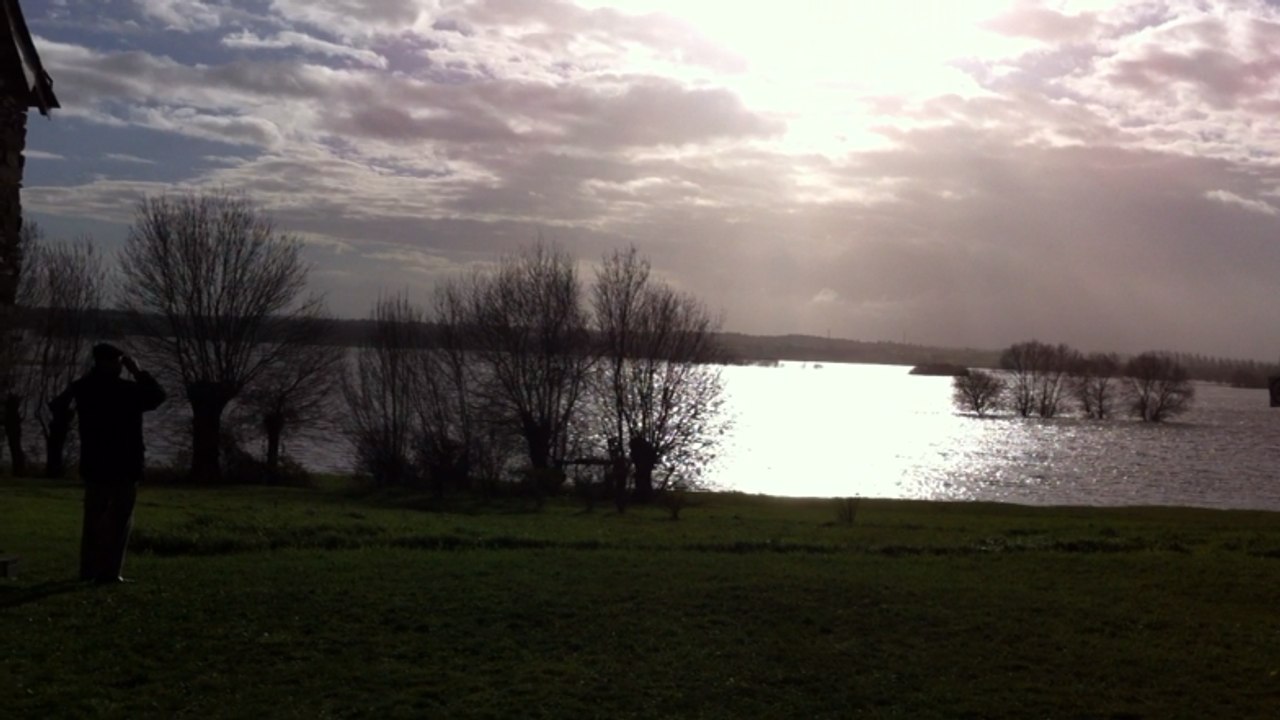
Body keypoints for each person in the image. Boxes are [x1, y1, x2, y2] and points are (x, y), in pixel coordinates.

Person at [49, 344, 166, 583]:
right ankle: (111, 572)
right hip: (125, 461)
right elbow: (157, 396)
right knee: (120, 518)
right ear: (112, 363)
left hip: (95, 461)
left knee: (94, 517)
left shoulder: (84, 388)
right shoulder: (127, 391)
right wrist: (138, 372)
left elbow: (58, 406)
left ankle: (88, 570)